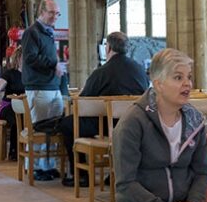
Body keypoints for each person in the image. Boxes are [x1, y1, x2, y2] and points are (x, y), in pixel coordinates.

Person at [113, 48, 207, 202]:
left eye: (189, 77)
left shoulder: (194, 120)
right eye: (178, 78)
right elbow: (126, 183)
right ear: (158, 84)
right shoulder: (133, 122)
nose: (187, 84)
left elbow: (202, 172)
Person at [59, 32, 150, 187]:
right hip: (134, 124)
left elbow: (82, 103)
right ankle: (115, 174)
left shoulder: (101, 72)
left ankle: (81, 176)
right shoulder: (140, 70)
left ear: (108, 48)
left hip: (105, 126)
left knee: (67, 124)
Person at [21, 0, 64, 180]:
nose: (55, 17)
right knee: (39, 128)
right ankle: (36, 167)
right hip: (38, 86)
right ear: (42, 12)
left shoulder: (48, 32)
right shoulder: (32, 32)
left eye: (57, 13)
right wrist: (53, 64)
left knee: (53, 129)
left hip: (52, 86)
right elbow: (30, 58)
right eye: (51, 13)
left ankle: (49, 164)